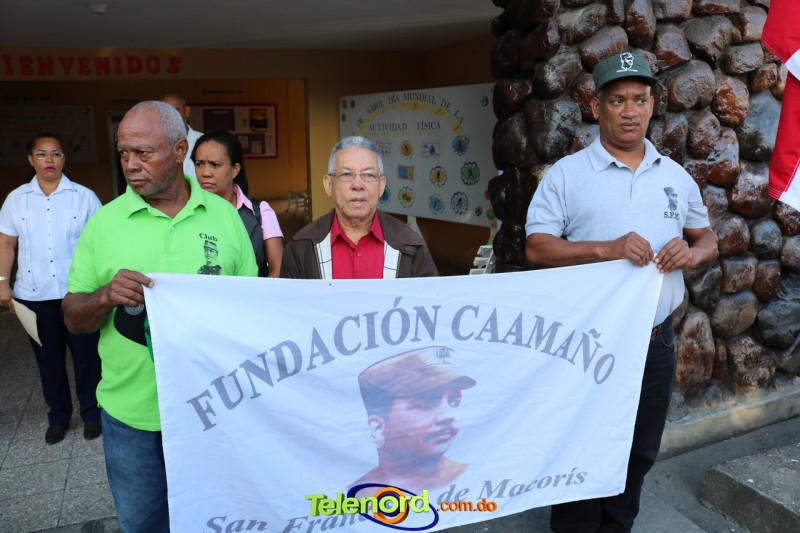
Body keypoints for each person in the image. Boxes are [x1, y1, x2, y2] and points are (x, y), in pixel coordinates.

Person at [525, 52, 719, 533]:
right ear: (597, 108)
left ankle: (617, 527)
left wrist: (692, 253)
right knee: (580, 443)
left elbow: (707, 239)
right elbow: (536, 247)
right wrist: (605, 248)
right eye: (617, 100)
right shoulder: (567, 175)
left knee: (639, 448)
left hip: (654, 341)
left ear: (652, 105)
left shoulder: (674, 176)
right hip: (584, 340)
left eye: (639, 99)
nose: (629, 111)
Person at [62, 100, 257, 532]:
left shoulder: (225, 217)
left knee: (218, 520)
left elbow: (250, 311)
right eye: (123, 153)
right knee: (142, 523)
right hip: (132, 418)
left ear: (179, 149)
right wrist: (104, 296)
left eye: (143, 152)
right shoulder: (104, 223)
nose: (130, 165)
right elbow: (73, 319)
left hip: (215, 411)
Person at [0, 132, 102, 445]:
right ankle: (58, 417)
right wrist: (2, 282)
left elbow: (101, 243)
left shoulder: (84, 196)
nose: (49, 160)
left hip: (78, 294)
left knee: (87, 358)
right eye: (42, 154)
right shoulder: (16, 199)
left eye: (56, 154)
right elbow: (6, 243)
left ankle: (92, 414)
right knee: (49, 361)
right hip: (33, 296)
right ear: (31, 160)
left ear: (63, 159)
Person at [281, 135, 437, 279]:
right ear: (329, 185)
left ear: (381, 186)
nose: (358, 185)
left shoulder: (411, 246)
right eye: (346, 174)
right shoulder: (300, 249)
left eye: (368, 175)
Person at [350, 346, 475, 495]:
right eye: (424, 404)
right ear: (377, 428)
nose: (448, 416)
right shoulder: (351, 496)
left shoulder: (474, 480)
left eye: (454, 402)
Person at [192, 130, 284, 277]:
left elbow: (277, 268)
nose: (205, 173)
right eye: (199, 164)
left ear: (235, 170)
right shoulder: (187, 211)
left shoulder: (259, 213)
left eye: (215, 165)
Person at [161, 93, 203, 179]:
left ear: (186, 111)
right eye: (164, 111)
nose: (170, 115)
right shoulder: (153, 144)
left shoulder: (203, 142)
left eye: (175, 109)